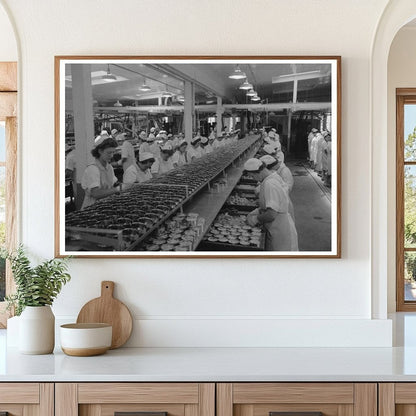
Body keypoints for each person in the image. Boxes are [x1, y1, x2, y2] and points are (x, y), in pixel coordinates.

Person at [243, 158, 298, 251]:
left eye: (252, 176)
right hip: (280, 226)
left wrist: (256, 219)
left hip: (280, 230)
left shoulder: (270, 184)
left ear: (257, 172)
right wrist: (258, 210)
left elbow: (271, 215)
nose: (253, 179)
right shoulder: (273, 176)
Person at [80, 136, 121, 210]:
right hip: (92, 208)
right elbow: (96, 193)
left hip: (104, 206)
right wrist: (117, 189)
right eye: (109, 153)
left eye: (113, 152)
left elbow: (114, 183)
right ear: (100, 151)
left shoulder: (109, 167)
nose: (111, 156)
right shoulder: (93, 169)